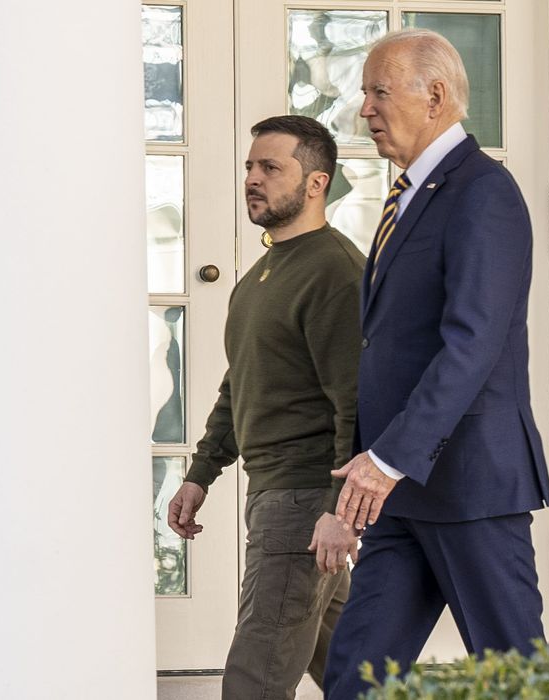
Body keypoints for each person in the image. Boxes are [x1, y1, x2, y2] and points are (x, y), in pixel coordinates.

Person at [322, 29, 549, 700]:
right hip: (397, 492)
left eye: (377, 92)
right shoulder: (407, 197)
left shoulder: (483, 193)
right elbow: (385, 351)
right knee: (356, 677)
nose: (364, 110)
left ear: (436, 95)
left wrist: (388, 459)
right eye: (364, 93)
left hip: (469, 483)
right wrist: (369, 467)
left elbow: (472, 343)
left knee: (517, 677)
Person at [167, 115, 365, 699]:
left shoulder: (335, 272)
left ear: (315, 183)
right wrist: (201, 473)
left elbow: (356, 402)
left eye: (270, 168)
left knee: (255, 675)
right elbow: (242, 383)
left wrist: (338, 512)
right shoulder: (259, 275)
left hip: (304, 502)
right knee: (352, 673)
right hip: (276, 493)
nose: (252, 178)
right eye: (250, 167)